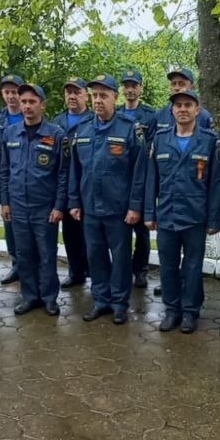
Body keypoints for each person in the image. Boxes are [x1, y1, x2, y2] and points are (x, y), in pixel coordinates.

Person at [144, 89, 220, 333]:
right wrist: (149, 212)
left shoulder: (209, 142)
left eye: (188, 105)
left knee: (192, 266)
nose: (182, 109)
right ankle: (171, 310)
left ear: (197, 110)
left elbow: (217, 184)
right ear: (172, 110)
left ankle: (190, 312)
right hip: (167, 214)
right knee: (167, 265)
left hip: (195, 216)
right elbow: (151, 179)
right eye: (178, 105)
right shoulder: (160, 139)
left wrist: (214, 219)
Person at [68, 75, 146, 324]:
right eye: (94, 96)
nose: (98, 100)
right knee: (96, 256)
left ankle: (120, 303)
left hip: (118, 209)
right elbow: (74, 170)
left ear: (115, 97)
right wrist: (73, 201)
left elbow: (138, 172)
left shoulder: (128, 129)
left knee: (121, 258)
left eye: (104, 95)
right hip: (90, 207)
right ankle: (101, 300)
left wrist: (135, 206)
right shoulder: (83, 128)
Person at [0, 84, 69, 317]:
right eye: (24, 102)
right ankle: (29, 297)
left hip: (45, 207)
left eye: (32, 101)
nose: (27, 106)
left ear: (42, 104)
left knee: (47, 254)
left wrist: (59, 205)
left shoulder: (56, 135)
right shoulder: (10, 133)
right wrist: (5, 202)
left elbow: (62, 173)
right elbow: (4, 171)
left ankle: (49, 298)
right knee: (24, 253)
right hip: (18, 205)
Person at [51, 77, 92, 289]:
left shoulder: (93, 120)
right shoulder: (56, 123)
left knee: (91, 235)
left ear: (86, 95)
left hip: (87, 186)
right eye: (68, 92)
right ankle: (76, 272)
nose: (72, 96)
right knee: (69, 234)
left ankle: (95, 273)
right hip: (64, 186)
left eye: (77, 92)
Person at [119, 70, 159, 288]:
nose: (130, 89)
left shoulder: (150, 116)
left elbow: (151, 148)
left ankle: (141, 270)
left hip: (142, 177)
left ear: (141, 88)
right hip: (120, 180)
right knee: (121, 229)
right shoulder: (116, 113)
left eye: (134, 85)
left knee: (142, 231)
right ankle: (123, 267)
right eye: (127, 85)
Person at [0, 73, 25, 285]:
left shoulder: (30, 114)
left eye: (15, 92)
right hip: (5, 179)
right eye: (7, 92)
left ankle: (31, 265)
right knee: (10, 225)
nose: (11, 96)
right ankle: (16, 265)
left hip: (26, 177)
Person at [153, 67, 214, 137]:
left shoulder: (204, 116)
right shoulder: (160, 115)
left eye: (181, 84)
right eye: (173, 84)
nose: (177, 88)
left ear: (192, 87)